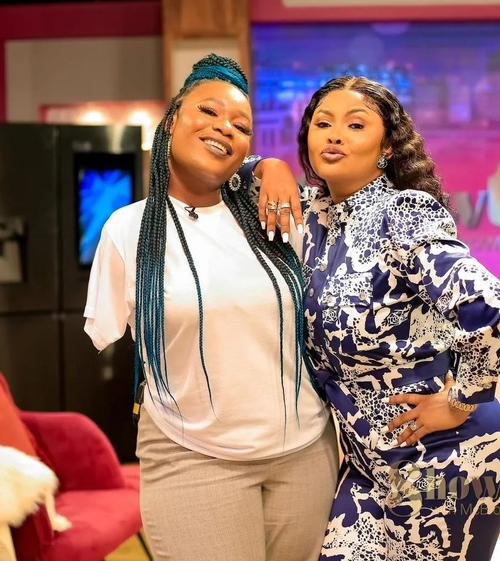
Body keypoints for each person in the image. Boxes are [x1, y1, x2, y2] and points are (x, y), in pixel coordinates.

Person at [254, 75, 500, 561]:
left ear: (388, 147)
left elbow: (490, 309)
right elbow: (218, 168)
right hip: (366, 464)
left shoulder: (404, 213)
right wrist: (267, 166)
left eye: (355, 125)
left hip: (447, 455)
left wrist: (460, 401)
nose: (335, 135)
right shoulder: (310, 216)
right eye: (322, 124)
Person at [82, 54, 338, 561]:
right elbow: (105, 332)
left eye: (241, 126)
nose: (225, 128)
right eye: (208, 111)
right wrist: (263, 165)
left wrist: (269, 166)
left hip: (306, 454)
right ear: (171, 121)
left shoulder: (276, 216)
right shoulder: (127, 231)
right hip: (193, 459)